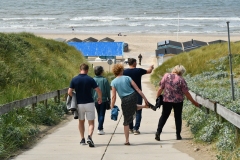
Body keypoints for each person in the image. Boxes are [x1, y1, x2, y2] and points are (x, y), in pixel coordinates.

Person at [155, 65, 201, 141]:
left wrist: (157, 97)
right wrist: (194, 102)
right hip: (178, 101)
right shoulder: (181, 80)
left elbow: (160, 88)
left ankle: (158, 133)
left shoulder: (166, 76)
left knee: (164, 116)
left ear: (174, 69)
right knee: (178, 117)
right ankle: (178, 135)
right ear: (182, 72)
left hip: (167, 100)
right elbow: (186, 93)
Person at [110, 64, 151, 145]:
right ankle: (144, 106)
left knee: (126, 121)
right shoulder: (127, 78)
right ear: (121, 70)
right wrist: (145, 99)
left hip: (125, 99)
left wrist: (112, 106)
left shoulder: (113, 82)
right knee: (131, 108)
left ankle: (127, 140)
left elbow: (114, 96)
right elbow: (137, 89)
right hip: (133, 96)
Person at [68, 63, 102, 148]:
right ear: (87, 70)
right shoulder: (90, 79)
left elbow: (69, 92)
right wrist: (99, 98)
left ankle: (82, 139)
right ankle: (89, 137)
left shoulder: (74, 79)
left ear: (80, 69)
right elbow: (98, 90)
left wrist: (74, 97)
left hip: (79, 104)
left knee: (81, 121)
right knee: (91, 122)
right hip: (89, 103)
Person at [123, 58, 154, 135]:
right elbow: (149, 71)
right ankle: (136, 129)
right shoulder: (138, 70)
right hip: (138, 94)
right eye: (136, 62)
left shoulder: (124, 71)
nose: (136, 63)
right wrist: (151, 67)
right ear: (133, 63)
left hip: (128, 94)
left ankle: (130, 128)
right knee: (138, 111)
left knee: (130, 111)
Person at [92, 66, 111, 135]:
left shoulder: (93, 79)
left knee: (98, 114)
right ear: (101, 72)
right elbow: (108, 90)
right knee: (102, 114)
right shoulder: (104, 80)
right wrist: (109, 98)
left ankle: (101, 127)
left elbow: (91, 90)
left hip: (95, 100)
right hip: (103, 99)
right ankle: (100, 128)